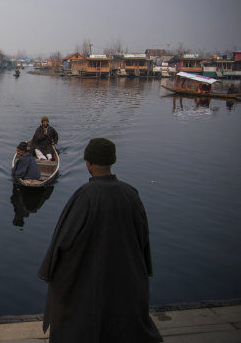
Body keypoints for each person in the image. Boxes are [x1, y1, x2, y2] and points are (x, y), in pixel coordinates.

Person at [38, 138, 162, 343]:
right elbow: (143, 238)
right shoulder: (131, 194)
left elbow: (62, 240)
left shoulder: (85, 196)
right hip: (126, 275)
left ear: (89, 163)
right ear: (111, 162)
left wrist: (49, 270)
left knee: (83, 322)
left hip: (90, 278)